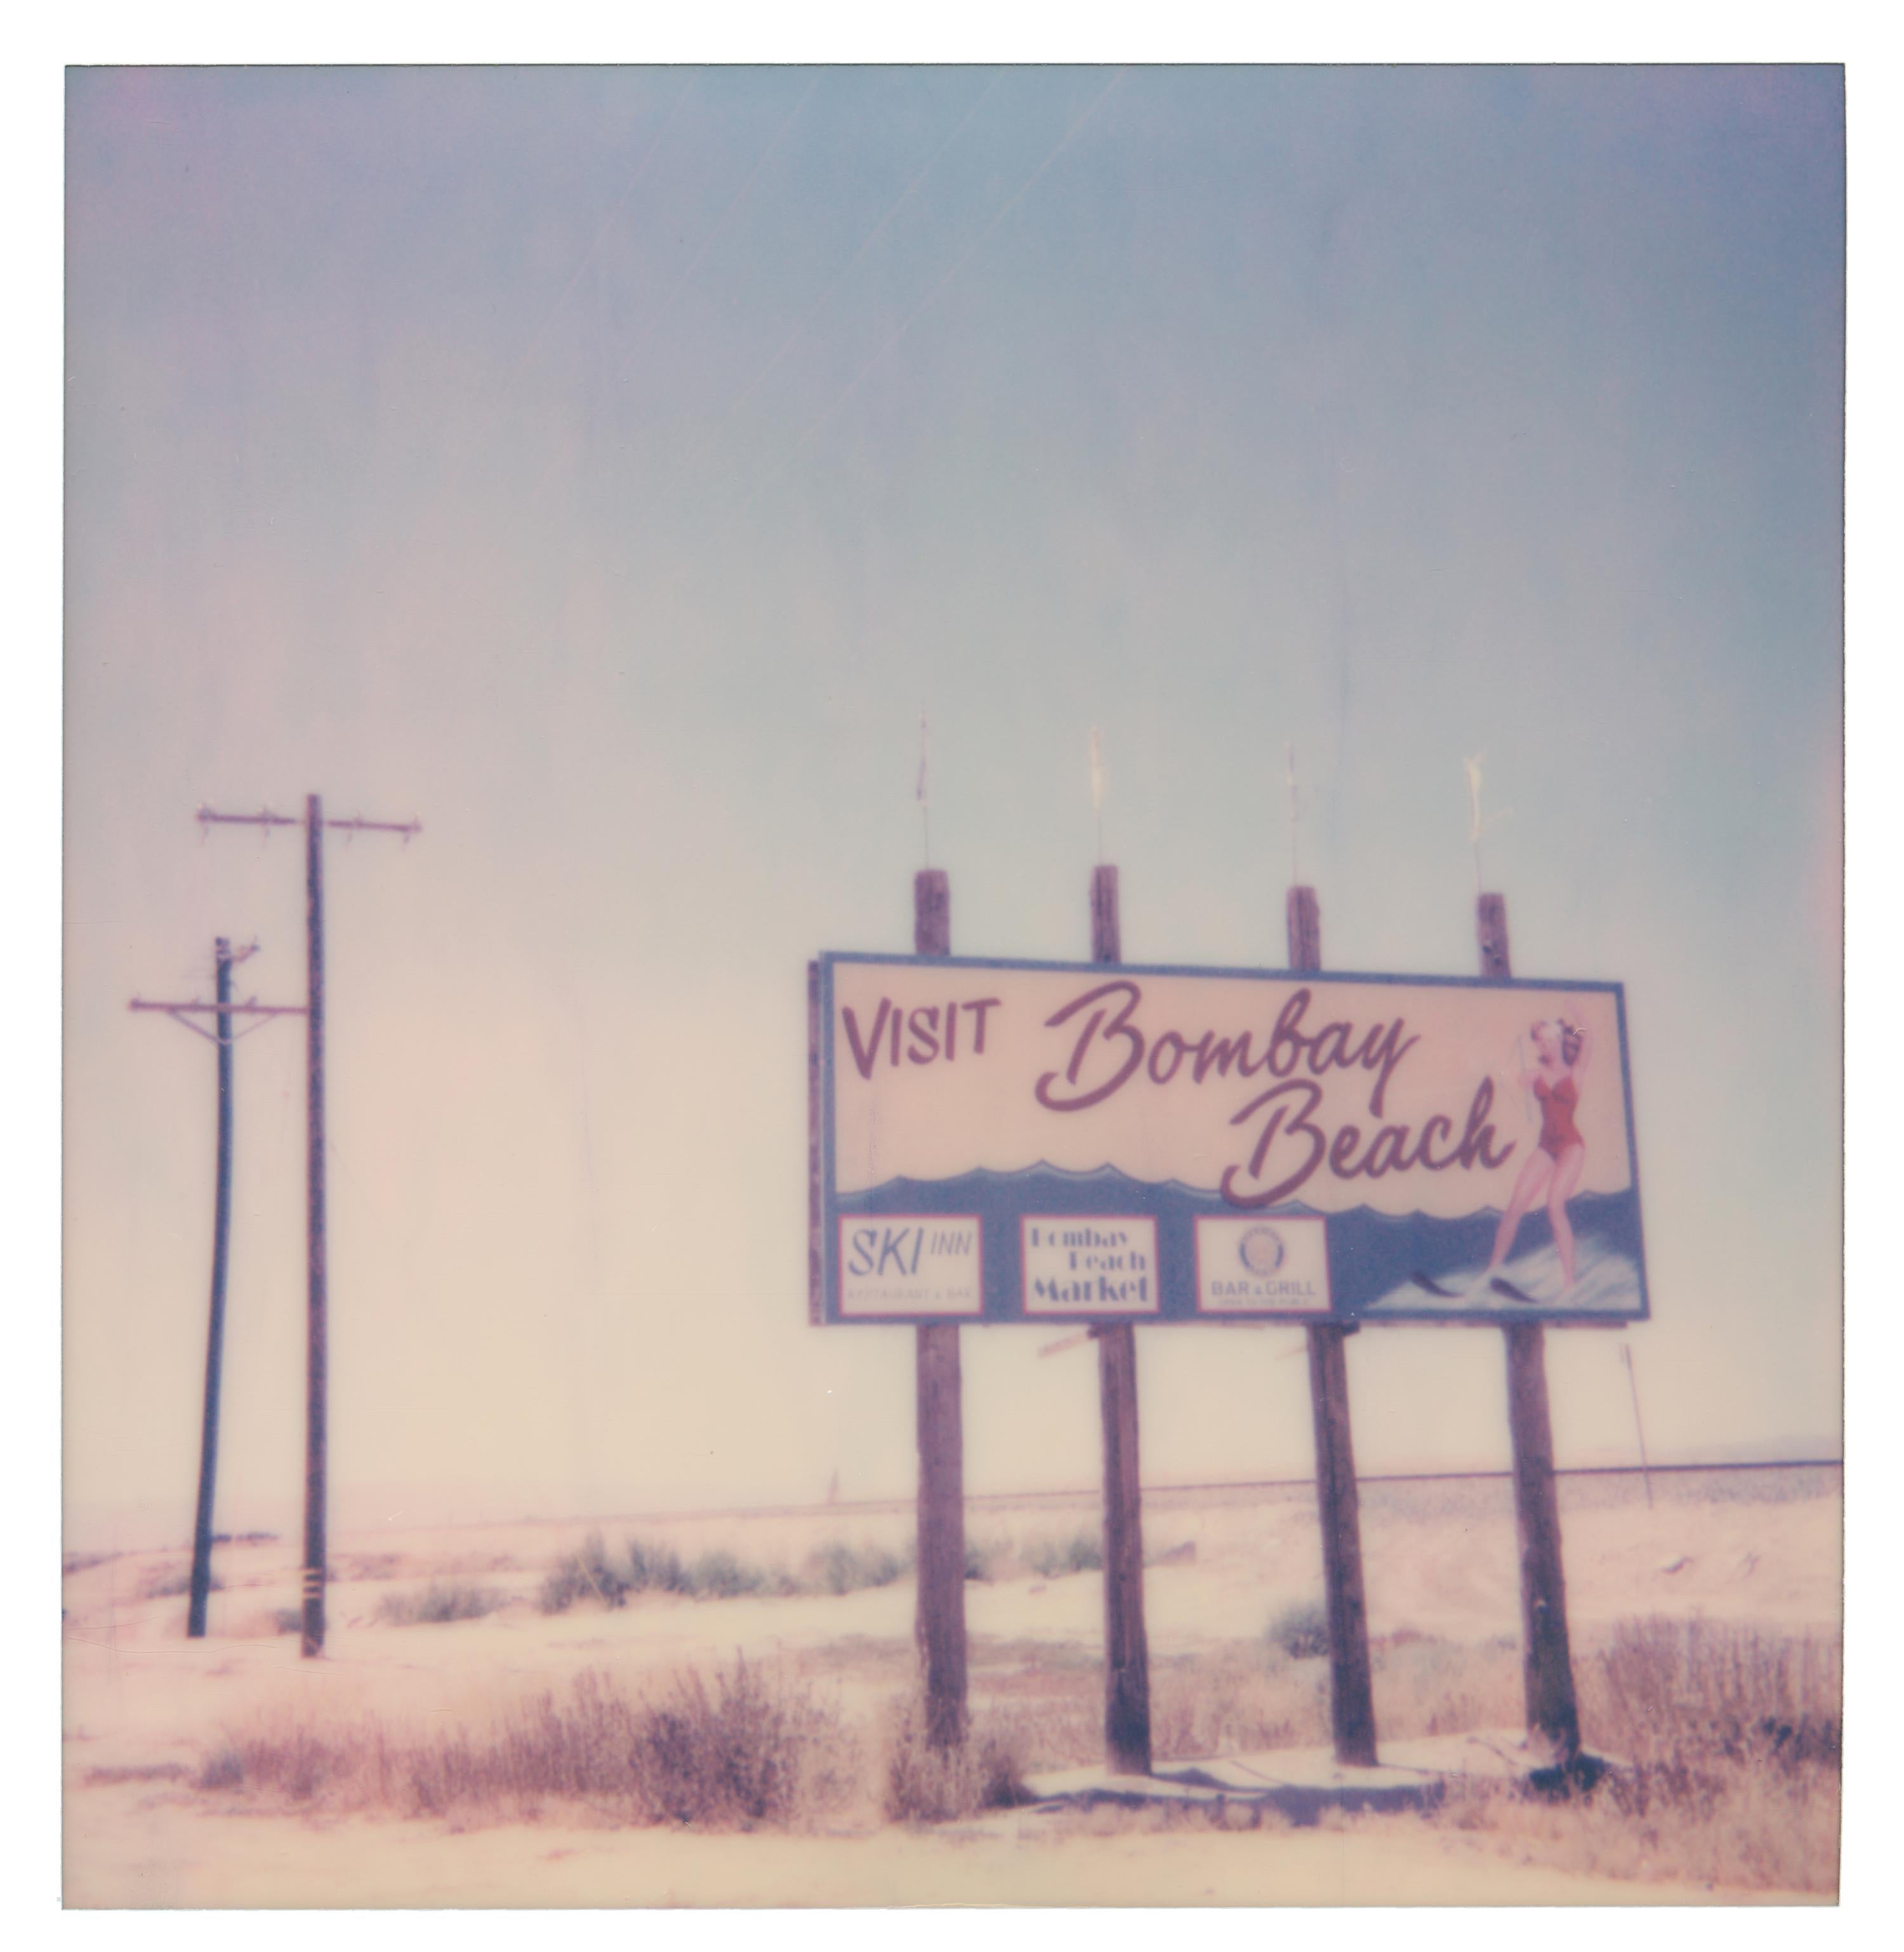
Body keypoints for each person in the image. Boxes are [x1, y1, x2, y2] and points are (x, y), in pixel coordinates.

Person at [1480, 1013, 1592, 1298]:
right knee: (1516, 1205)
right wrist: (1519, 1079)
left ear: (1558, 1039)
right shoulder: (1536, 1074)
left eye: (1550, 1039)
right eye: (1540, 1041)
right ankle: (1492, 1271)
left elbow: (1587, 1035)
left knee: (1555, 1205)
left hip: (1571, 1145)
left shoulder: (1575, 1071)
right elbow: (1511, 1081)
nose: (1545, 1045)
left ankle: (1570, 1284)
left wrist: (1576, 1015)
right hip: (1546, 1144)